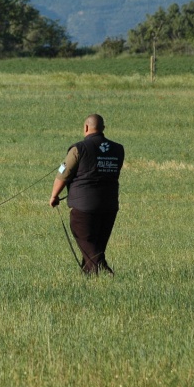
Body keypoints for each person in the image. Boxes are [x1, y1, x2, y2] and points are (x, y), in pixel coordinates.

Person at [49, 113, 124, 275]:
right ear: (103, 128)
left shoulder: (79, 149)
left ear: (86, 128)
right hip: (109, 206)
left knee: (88, 245)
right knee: (96, 245)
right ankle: (90, 279)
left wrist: (54, 196)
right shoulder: (118, 149)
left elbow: (63, 173)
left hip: (84, 207)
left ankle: (105, 272)